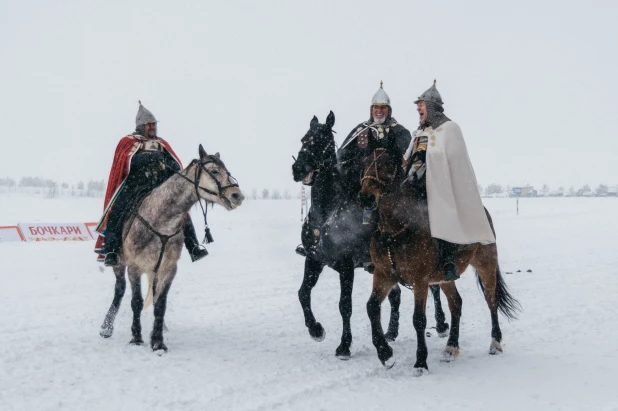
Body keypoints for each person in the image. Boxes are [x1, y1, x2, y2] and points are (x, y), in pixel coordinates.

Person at [295, 82, 411, 272]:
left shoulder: (399, 131)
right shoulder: (361, 130)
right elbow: (341, 156)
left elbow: (406, 160)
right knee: (329, 203)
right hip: (357, 184)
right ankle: (314, 242)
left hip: (385, 187)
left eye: (382, 108)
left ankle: (375, 251)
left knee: (371, 213)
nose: (379, 111)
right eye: (375, 108)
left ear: (388, 110)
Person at [94, 101, 208, 266]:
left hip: (159, 187)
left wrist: (172, 166)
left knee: (181, 211)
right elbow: (126, 162)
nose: (152, 128)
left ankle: (194, 246)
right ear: (141, 126)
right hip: (135, 186)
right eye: (149, 125)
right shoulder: (128, 141)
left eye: (154, 124)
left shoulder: (161, 144)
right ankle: (111, 250)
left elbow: (174, 164)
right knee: (117, 211)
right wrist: (150, 157)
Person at [403, 80, 495, 281]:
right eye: (418, 105)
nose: (418, 107)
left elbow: (455, 160)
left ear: (432, 107)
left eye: (422, 104)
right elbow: (407, 158)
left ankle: (449, 259)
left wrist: (429, 161)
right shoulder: (419, 131)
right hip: (415, 186)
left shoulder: (450, 128)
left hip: (441, 186)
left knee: (441, 212)